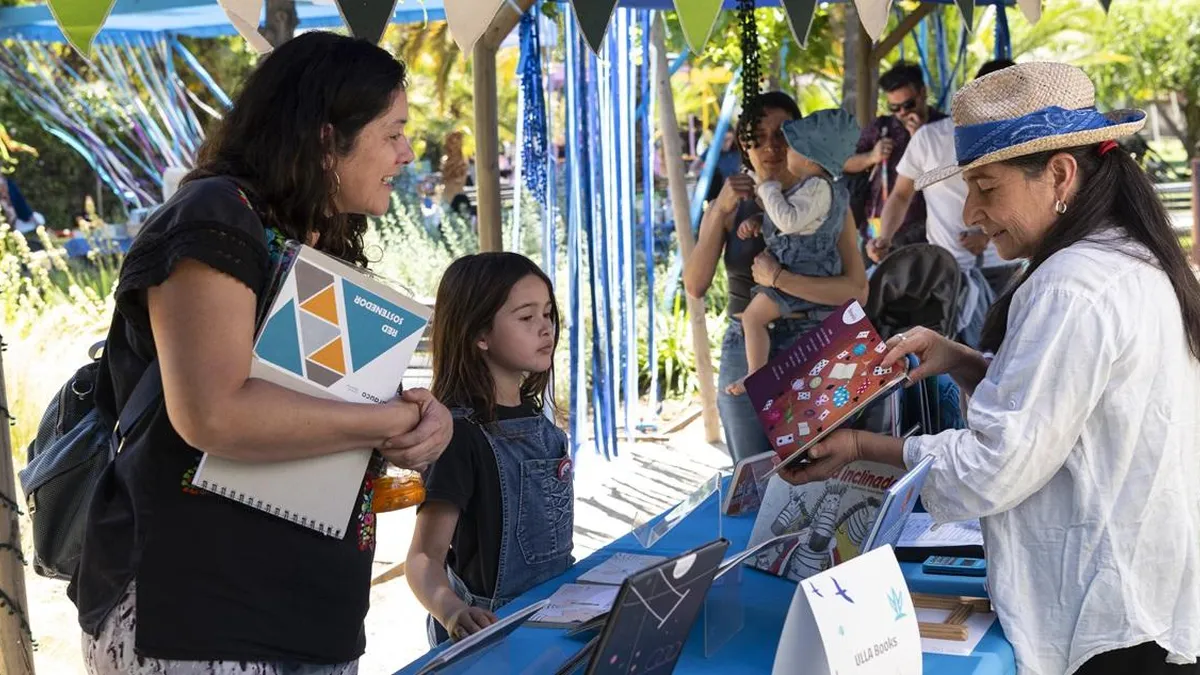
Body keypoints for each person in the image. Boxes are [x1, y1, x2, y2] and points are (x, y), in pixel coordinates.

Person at [780, 62, 1200, 675]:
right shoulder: (1123, 256)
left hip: (1109, 621)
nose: (970, 212)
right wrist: (962, 360)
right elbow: (1061, 413)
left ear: (1059, 173)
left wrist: (863, 445)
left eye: (987, 186)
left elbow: (995, 466)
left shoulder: (1070, 286)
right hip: (1139, 595)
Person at [72, 32, 453, 675]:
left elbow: (318, 402)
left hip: (302, 617)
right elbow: (214, 414)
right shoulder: (215, 217)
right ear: (328, 139)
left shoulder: (308, 233)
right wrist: (386, 422)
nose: (408, 152)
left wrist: (419, 414)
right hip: (200, 617)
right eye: (393, 132)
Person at [683, 92, 868, 464]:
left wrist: (780, 279)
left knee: (818, 469)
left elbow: (856, 291)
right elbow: (695, 285)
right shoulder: (730, 205)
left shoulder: (827, 200)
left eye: (782, 135)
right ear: (743, 145)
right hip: (747, 346)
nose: (771, 148)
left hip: (814, 338)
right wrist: (720, 209)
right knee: (753, 472)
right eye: (758, 138)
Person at [407, 252, 573, 646]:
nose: (545, 328)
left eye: (548, 314)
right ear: (480, 334)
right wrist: (451, 610)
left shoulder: (542, 425)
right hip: (491, 637)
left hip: (550, 620)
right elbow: (422, 558)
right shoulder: (459, 434)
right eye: (526, 317)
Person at [870, 59, 1021, 347]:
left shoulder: (1021, 140)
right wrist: (884, 237)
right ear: (975, 92)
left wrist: (988, 237)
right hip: (942, 274)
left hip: (1001, 267)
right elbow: (901, 195)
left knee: (999, 353)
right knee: (950, 361)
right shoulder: (931, 136)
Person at [726, 109, 860, 395]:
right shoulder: (818, 189)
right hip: (803, 272)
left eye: (792, 148)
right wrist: (759, 222)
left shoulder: (817, 188)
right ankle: (756, 374)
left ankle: (755, 375)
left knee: (752, 318)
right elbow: (800, 224)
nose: (784, 151)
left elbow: (787, 220)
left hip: (801, 272)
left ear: (810, 158)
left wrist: (767, 188)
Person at [844, 62, 947, 253]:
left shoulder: (942, 127)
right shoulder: (882, 127)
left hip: (927, 230)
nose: (902, 113)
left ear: (923, 93)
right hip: (879, 227)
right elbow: (843, 162)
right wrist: (871, 157)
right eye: (895, 107)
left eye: (908, 105)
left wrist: (922, 140)